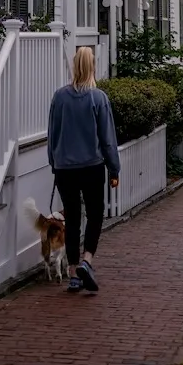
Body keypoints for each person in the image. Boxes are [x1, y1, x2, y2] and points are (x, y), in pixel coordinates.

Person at [47, 45, 120, 293]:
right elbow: (107, 138)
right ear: (92, 66)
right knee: (95, 214)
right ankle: (87, 260)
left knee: (73, 217)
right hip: (92, 166)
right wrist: (114, 169)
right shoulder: (98, 98)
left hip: (65, 168)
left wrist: (54, 163)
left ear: (74, 65)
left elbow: (52, 134)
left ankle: (73, 273)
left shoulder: (59, 97)